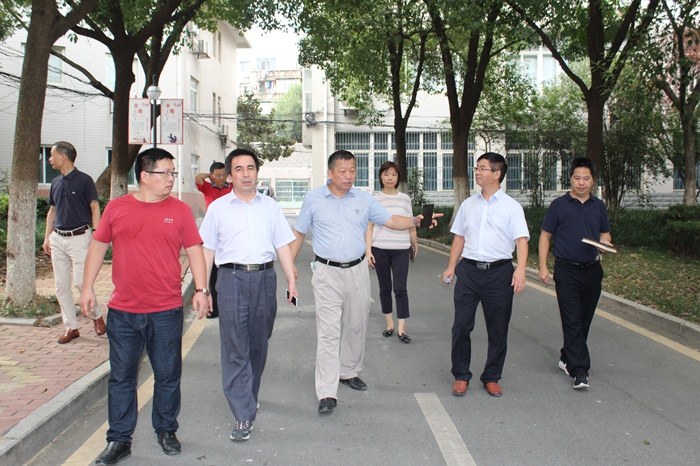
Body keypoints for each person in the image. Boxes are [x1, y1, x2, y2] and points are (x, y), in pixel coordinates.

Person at [80, 148, 209, 465]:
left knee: (167, 375)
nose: (171, 178)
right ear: (145, 176)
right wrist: (86, 288)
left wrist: (201, 289)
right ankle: (119, 440)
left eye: (172, 172)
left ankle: (166, 430)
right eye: (165, 173)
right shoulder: (117, 208)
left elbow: (195, 250)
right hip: (124, 311)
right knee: (121, 377)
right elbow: (98, 246)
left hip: (166, 310)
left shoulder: (179, 211)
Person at [290, 150, 440, 414]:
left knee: (356, 325)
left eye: (352, 170)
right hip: (326, 272)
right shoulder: (314, 199)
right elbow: (299, 232)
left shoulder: (363, 198)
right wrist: (290, 265)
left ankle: (348, 371)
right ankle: (327, 391)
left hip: (357, 270)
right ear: (330, 173)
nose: (349, 176)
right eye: (343, 171)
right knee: (328, 332)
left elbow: (391, 220)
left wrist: (415, 221)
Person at [199, 148, 297, 442]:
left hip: (264, 278)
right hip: (230, 279)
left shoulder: (270, 207)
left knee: (258, 344)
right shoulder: (218, 209)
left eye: (250, 168)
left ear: (257, 173)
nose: (245, 174)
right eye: (239, 169)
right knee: (235, 346)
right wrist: (203, 289)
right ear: (229, 176)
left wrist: (292, 280)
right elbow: (207, 250)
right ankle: (243, 414)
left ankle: (248, 394)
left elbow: (282, 245)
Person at [442, 152, 529, 398]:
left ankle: (492, 377)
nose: (477, 172)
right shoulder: (468, 205)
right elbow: (459, 238)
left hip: (499, 273)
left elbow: (521, 241)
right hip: (469, 272)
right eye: (477, 167)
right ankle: (461, 375)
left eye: (482, 168)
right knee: (461, 325)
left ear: (497, 173)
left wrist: (521, 270)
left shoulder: (512, 207)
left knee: (497, 329)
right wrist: (451, 266)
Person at [537, 157, 612, 390]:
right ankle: (580, 370)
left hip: (592, 270)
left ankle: (567, 356)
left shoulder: (598, 206)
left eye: (586, 178)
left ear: (593, 181)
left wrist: (604, 243)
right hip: (566, 270)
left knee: (584, 320)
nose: (581, 183)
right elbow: (545, 236)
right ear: (570, 179)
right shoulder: (559, 205)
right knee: (571, 319)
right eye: (577, 178)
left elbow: (605, 233)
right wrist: (543, 266)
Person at [41, 141, 105, 344]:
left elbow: (94, 206)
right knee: (61, 286)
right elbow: (52, 211)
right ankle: (71, 327)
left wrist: (97, 233)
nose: (49, 159)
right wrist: (47, 237)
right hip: (58, 238)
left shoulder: (84, 180)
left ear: (63, 156)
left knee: (80, 282)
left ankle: (96, 315)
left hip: (79, 237)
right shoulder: (55, 182)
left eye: (52, 155)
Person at [365, 161, 418, 343]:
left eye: (394, 174)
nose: (390, 178)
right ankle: (389, 324)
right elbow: (369, 226)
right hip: (379, 249)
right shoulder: (374, 199)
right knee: (384, 287)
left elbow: (411, 223)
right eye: (386, 174)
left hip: (401, 249)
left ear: (398, 177)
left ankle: (402, 329)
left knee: (400, 288)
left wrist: (415, 244)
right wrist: (368, 250)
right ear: (380, 176)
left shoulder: (405, 198)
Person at [195, 161, 233, 319]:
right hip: (212, 235)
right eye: (218, 175)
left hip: (229, 234)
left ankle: (230, 307)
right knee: (213, 275)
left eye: (224, 174)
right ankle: (214, 308)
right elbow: (198, 177)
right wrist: (210, 177)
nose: (221, 177)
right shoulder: (207, 188)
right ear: (212, 176)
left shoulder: (232, 188)